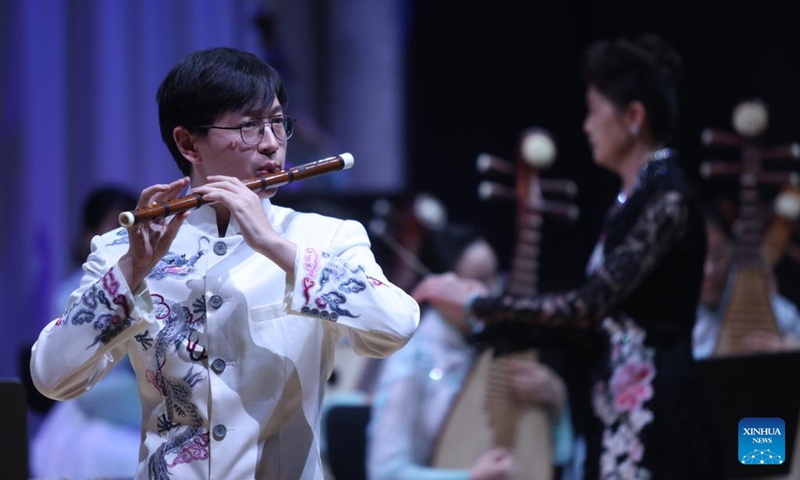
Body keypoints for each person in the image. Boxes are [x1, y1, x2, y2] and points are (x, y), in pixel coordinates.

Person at [30, 46, 420, 480]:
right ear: (188, 143)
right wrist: (131, 272)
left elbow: (397, 325)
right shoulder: (122, 249)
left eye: (277, 122)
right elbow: (51, 376)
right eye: (249, 126)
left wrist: (276, 247)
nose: (272, 143)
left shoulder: (326, 238)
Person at [412, 34, 724, 479]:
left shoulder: (667, 201)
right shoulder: (633, 200)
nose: (586, 125)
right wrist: (490, 322)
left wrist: (481, 304)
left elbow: (587, 306)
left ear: (633, 117)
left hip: (657, 411)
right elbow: (594, 323)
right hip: (616, 404)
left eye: (595, 111)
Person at [367, 223, 573, 480]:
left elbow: (559, 460)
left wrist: (558, 402)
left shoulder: (501, 347)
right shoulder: (411, 359)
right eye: (478, 280)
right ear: (438, 287)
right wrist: (470, 477)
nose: (493, 292)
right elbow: (384, 473)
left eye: (495, 276)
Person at [29, 185, 143, 479]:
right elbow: (85, 385)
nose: (125, 235)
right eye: (116, 226)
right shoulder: (71, 293)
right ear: (89, 235)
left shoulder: (152, 285)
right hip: (97, 405)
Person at [693, 208, 800, 359]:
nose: (709, 270)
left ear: (733, 250)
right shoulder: (671, 320)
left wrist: (790, 351)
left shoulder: (769, 305)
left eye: (719, 256)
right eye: (696, 259)